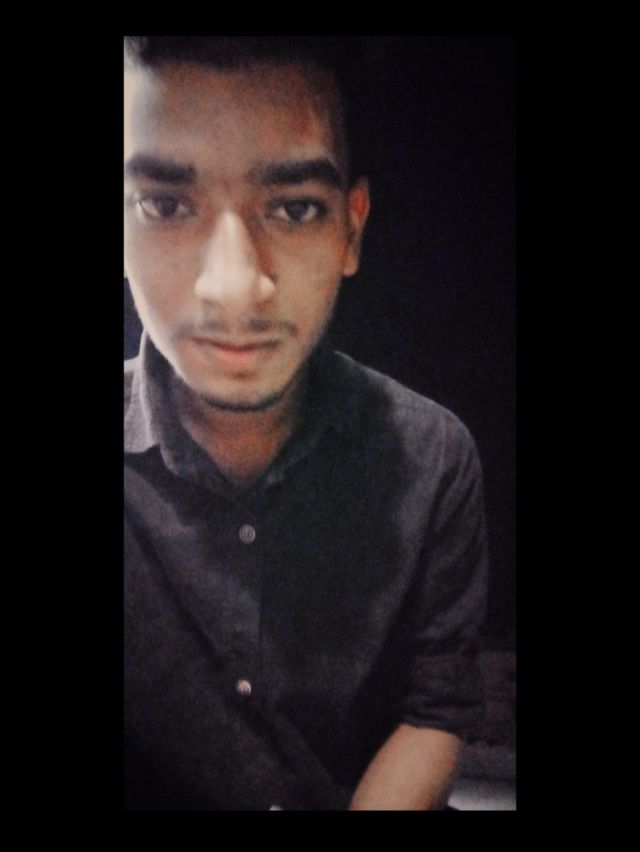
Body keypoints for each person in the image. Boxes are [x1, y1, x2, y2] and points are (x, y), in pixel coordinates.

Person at [124, 35, 488, 811]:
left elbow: (434, 711)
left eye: (294, 209)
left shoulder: (433, 458)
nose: (233, 288)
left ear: (351, 229)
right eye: (165, 204)